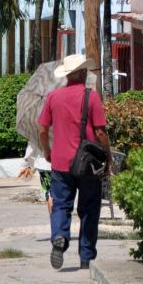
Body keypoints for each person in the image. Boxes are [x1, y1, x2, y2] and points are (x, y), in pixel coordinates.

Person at [38, 54, 111, 271]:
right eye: (85, 70)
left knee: (61, 204)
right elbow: (100, 132)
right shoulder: (92, 97)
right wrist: (107, 157)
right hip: (88, 163)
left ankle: (60, 237)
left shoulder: (53, 97)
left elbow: (42, 128)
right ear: (80, 73)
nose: (88, 73)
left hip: (60, 162)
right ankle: (86, 257)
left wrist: (47, 150)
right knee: (89, 209)